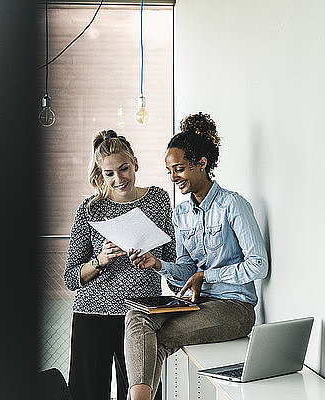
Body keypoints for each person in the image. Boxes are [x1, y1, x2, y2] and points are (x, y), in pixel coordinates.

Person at [125, 112, 268, 400]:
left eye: (178, 169)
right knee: (136, 317)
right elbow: (186, 269)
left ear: (201, 164)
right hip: (197, 303)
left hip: (234, 307)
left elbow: (258, 265)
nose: (173, 178)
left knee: (159, 339)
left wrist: (208, 275)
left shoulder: (233, 205)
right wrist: (159, 265)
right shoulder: (181, 214)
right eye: (169, 171)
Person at [64, 130, 176, 400]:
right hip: (93, 315)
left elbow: (173, 260)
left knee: (144, 394)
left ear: (135, 163)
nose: (118, 179)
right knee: (88, 394)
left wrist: (154, 262)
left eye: (123, 169)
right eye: (109, 173)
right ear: (101, 175)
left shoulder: (158, 200)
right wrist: (99, 260)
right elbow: (71, 278)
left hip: (140, 316)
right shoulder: (90, 210)